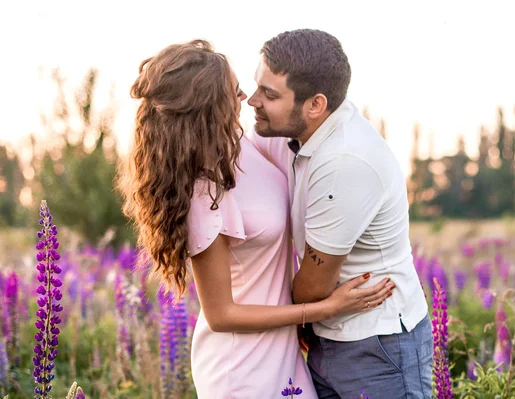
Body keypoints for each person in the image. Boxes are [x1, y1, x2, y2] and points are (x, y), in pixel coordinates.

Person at [118, 39, 393, 398]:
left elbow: (314, 135)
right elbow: (221, 316)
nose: (247, 98)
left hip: (283, 352)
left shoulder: (243, 143)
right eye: (235, 93)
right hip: (241, 368)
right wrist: (323, 309)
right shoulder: (206, 191)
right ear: (208, 108)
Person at [248, 29, 433, 398]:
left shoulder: (344, 160)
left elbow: (314, 287)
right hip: (329, 333)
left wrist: (257, 306)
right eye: (257, 86)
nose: (252, 100)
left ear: (315, 105)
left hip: (377, 346)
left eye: (270, 94)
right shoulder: (305, 133)